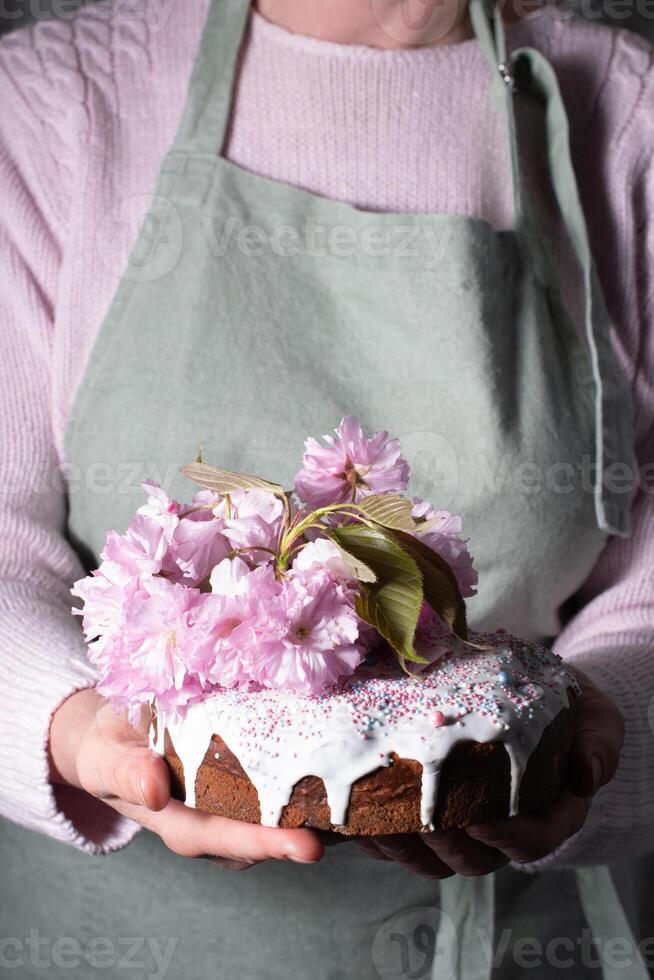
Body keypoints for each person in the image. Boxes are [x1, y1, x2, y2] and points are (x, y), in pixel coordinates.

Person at [0, 0, 653, 977]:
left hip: (530, 940)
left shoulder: (628, 109)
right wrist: (70, 725)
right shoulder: (59, 98)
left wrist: (608, 726)